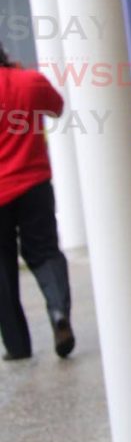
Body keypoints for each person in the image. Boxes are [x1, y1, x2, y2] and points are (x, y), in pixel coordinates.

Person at [0, 42, 74, 361]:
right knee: (44, 251)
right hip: (34, 184)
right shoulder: (30, 81)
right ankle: (59, 312)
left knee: (1, 268)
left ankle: (17, 346)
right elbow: (56, 108)